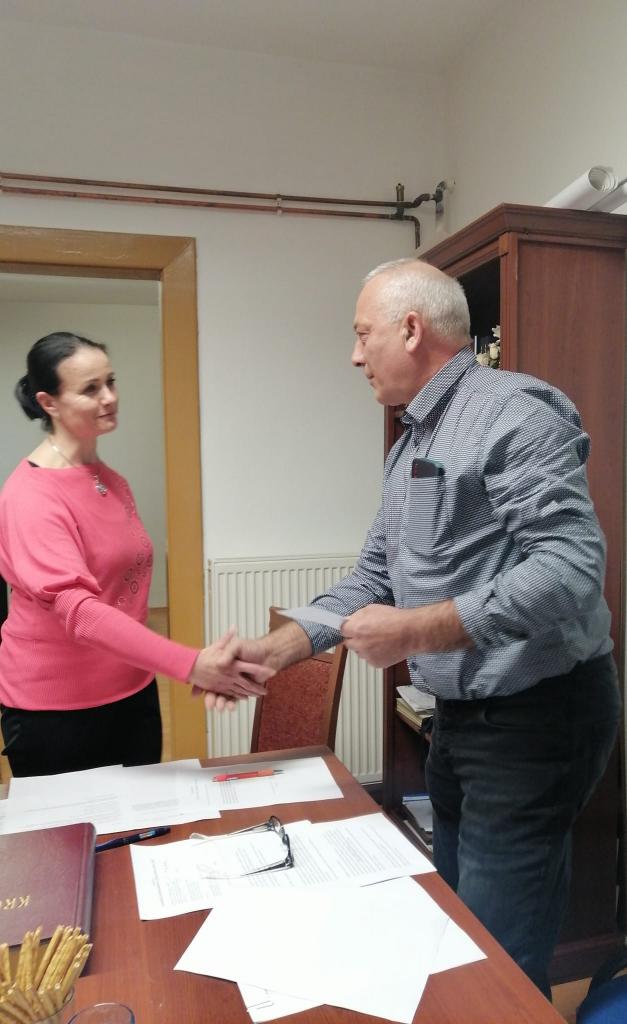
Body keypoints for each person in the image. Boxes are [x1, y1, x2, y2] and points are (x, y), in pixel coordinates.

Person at [213, 259, 621, 996]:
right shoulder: (415, 441)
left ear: (410, 329)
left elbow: (569, 569)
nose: (354, 355)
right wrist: (273, 651)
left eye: (361, 333)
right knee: (459, 930)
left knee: (498, 955)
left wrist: (415, 632)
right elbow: (379, 575)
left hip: (536, 718)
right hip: (460, 719)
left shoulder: (513, 411)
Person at [0, 331, 271, 778]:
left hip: (133, 692)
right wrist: (192, 665)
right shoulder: (30, 495)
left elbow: (122, 594)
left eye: (110, 381)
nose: (109, 397)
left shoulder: (111, 480)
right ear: (49, 403)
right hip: (57, 712)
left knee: (146, 816)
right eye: (90, 389)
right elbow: (81, 612)